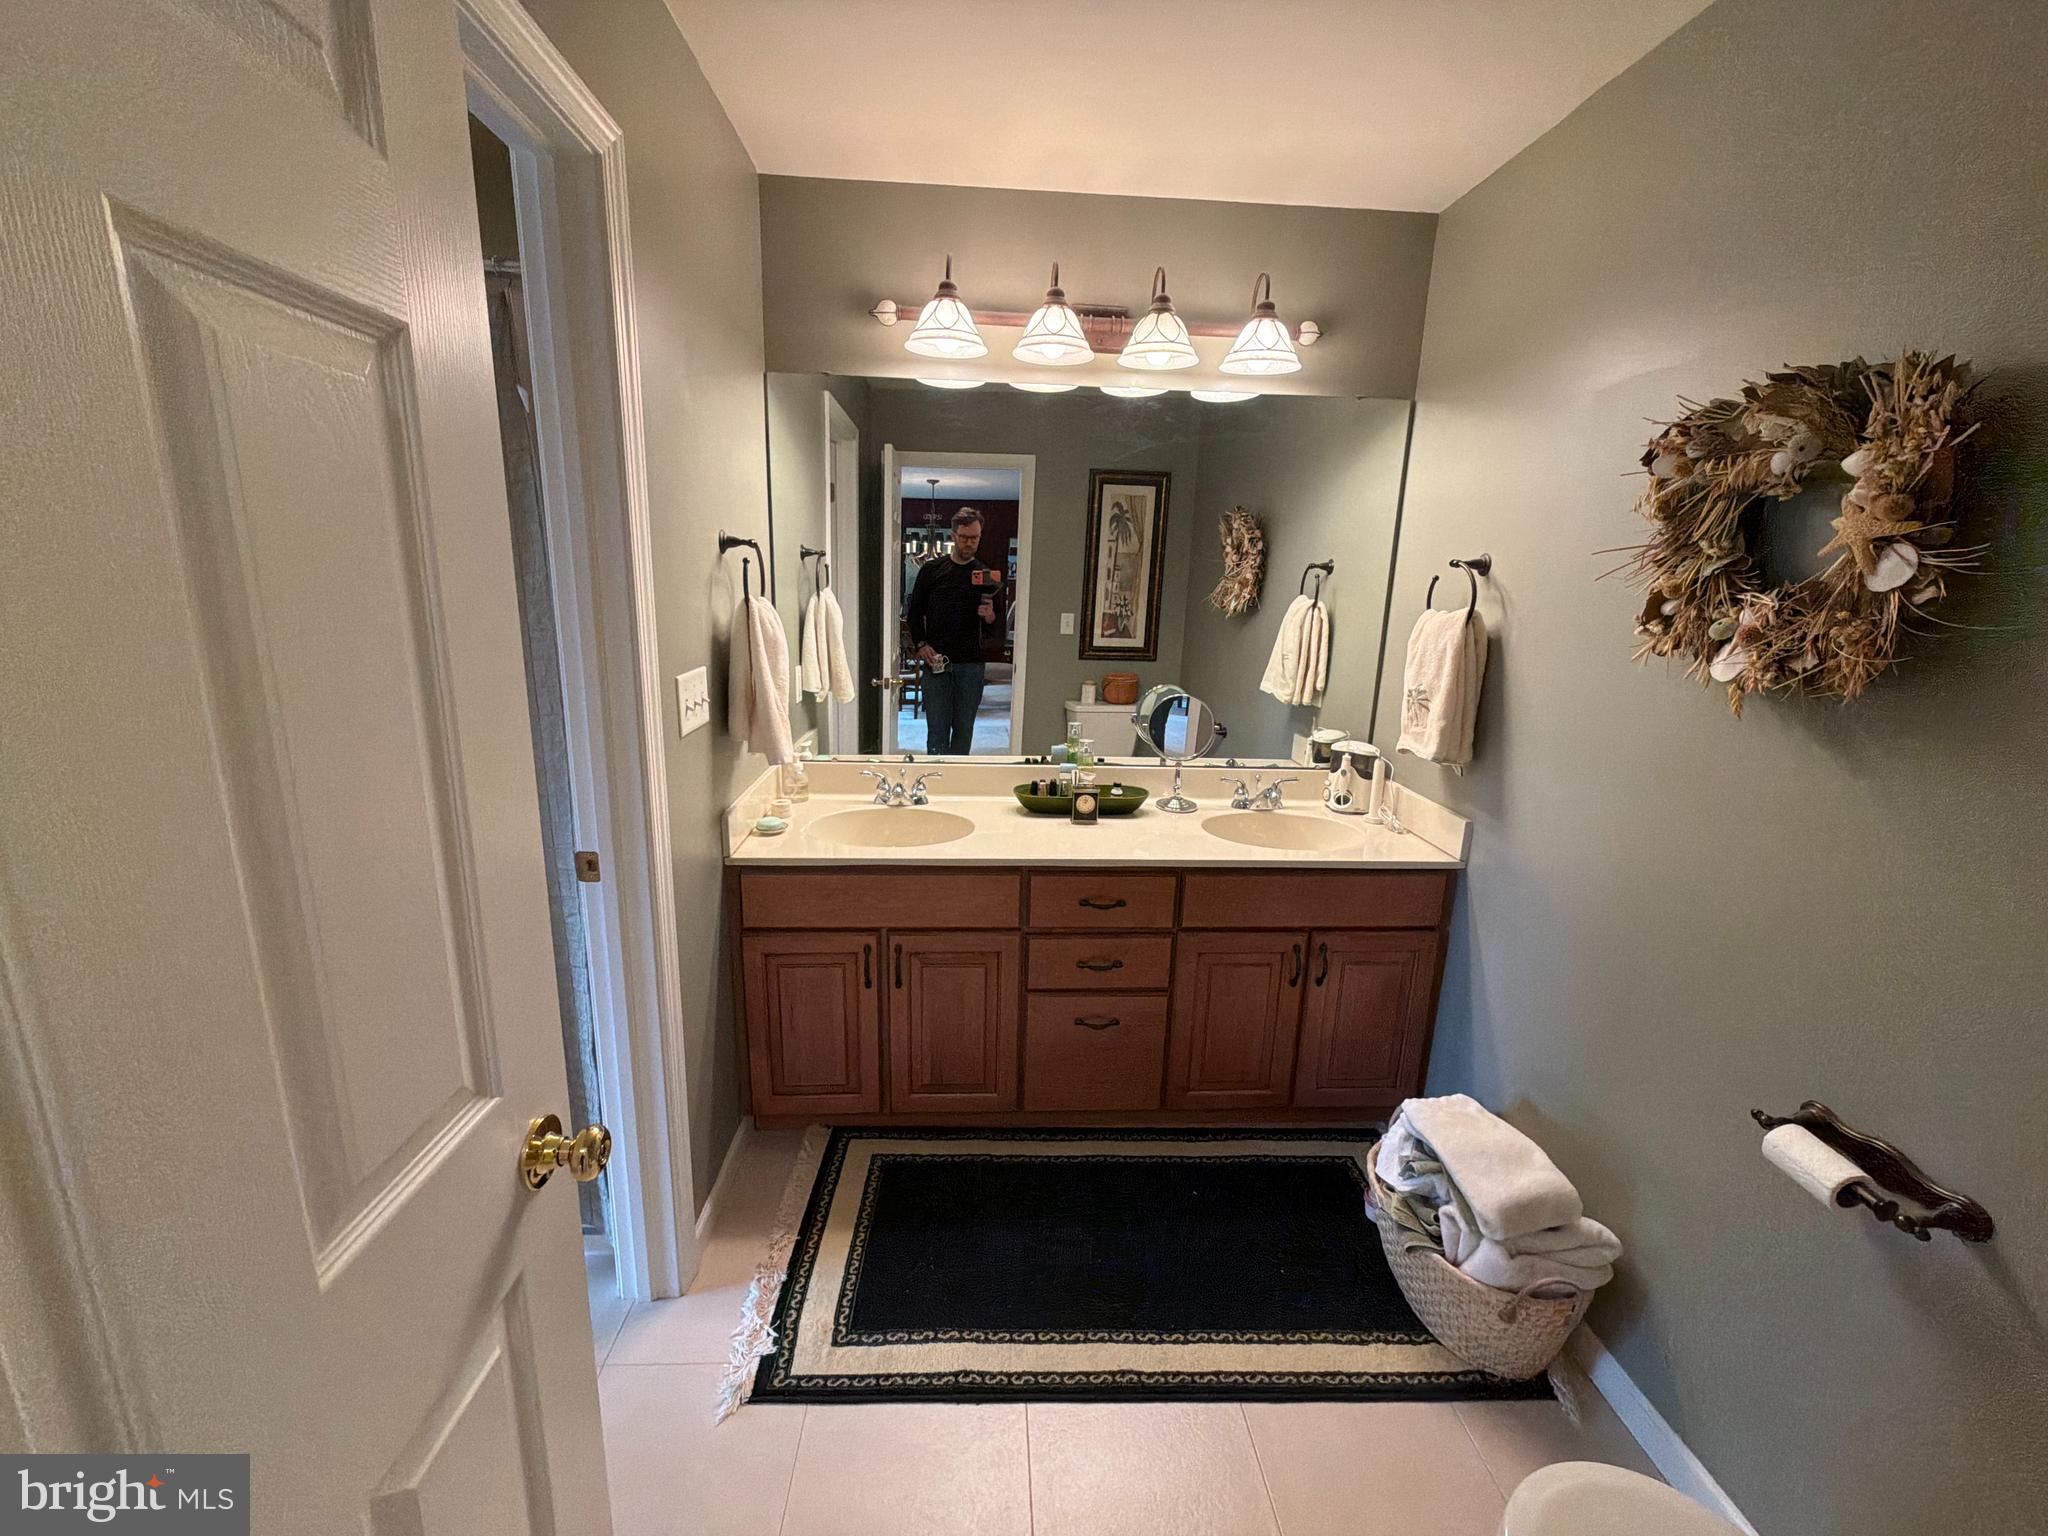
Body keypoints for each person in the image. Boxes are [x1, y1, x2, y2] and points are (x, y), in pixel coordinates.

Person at [905, 508, 1000, 755]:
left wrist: (990, 616)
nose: (970, 542)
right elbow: (914, 613)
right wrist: (920, 644)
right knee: (936, 730)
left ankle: (956, 784)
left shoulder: (986, 574)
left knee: (964, 729)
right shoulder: (932, 571)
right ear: (953, 536)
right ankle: (936, 785)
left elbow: (997, 625)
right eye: (964, 536)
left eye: (975, 537)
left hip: (971, 665)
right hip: (937, 662)